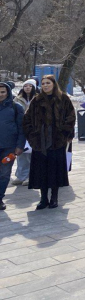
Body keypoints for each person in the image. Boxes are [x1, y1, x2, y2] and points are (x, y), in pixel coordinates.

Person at [23, 75, 75, 210]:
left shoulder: (63, 98)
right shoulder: (36, 100)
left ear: (54, 84)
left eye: (48, 83)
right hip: (39, 142)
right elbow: (27, 119)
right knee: (41, 170)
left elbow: (71, 116)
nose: (45, 85)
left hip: (57, 141)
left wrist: (63, 133)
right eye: (43, 83)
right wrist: (32, 135)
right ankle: (43, 198)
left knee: (55, 170)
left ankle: (54, 197)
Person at [0, 82, 25, 211]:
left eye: (3, 92)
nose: (0, 95)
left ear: (8, 93)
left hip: (9, 147)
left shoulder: (16, 108)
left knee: (4, 174)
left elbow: (22, 129)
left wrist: (20, 146)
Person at [10, 79, 35, 187]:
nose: (28, 88)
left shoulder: (38, 98)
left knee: (32, 154)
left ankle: (31, 176)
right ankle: (21, 176)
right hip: (21, 129)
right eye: (25, 86)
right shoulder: (17, 99)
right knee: (21, 153)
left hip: (34, 129)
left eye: (30, 86)